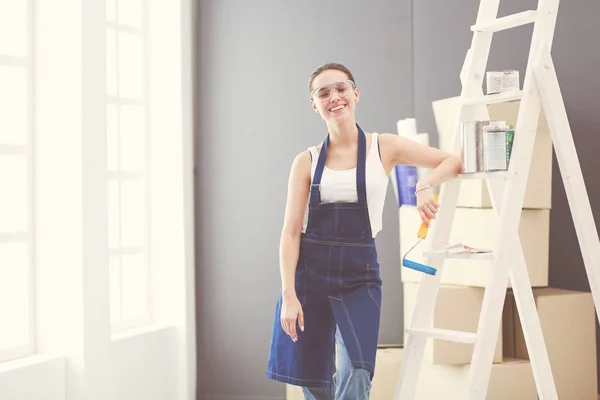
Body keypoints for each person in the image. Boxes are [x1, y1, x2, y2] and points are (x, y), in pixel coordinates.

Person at [266, 62, 462, 399]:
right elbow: (291, 232)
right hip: (310, 277)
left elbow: (452, 161)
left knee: (356, 369)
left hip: (360, 276)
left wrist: (424, 185)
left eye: (341, 88)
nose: (334, 97)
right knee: (312, 374)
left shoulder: (383, 147)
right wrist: (289, 295)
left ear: (355, 93)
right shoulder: (307, 161)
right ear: (315, 105)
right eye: (323, 93)